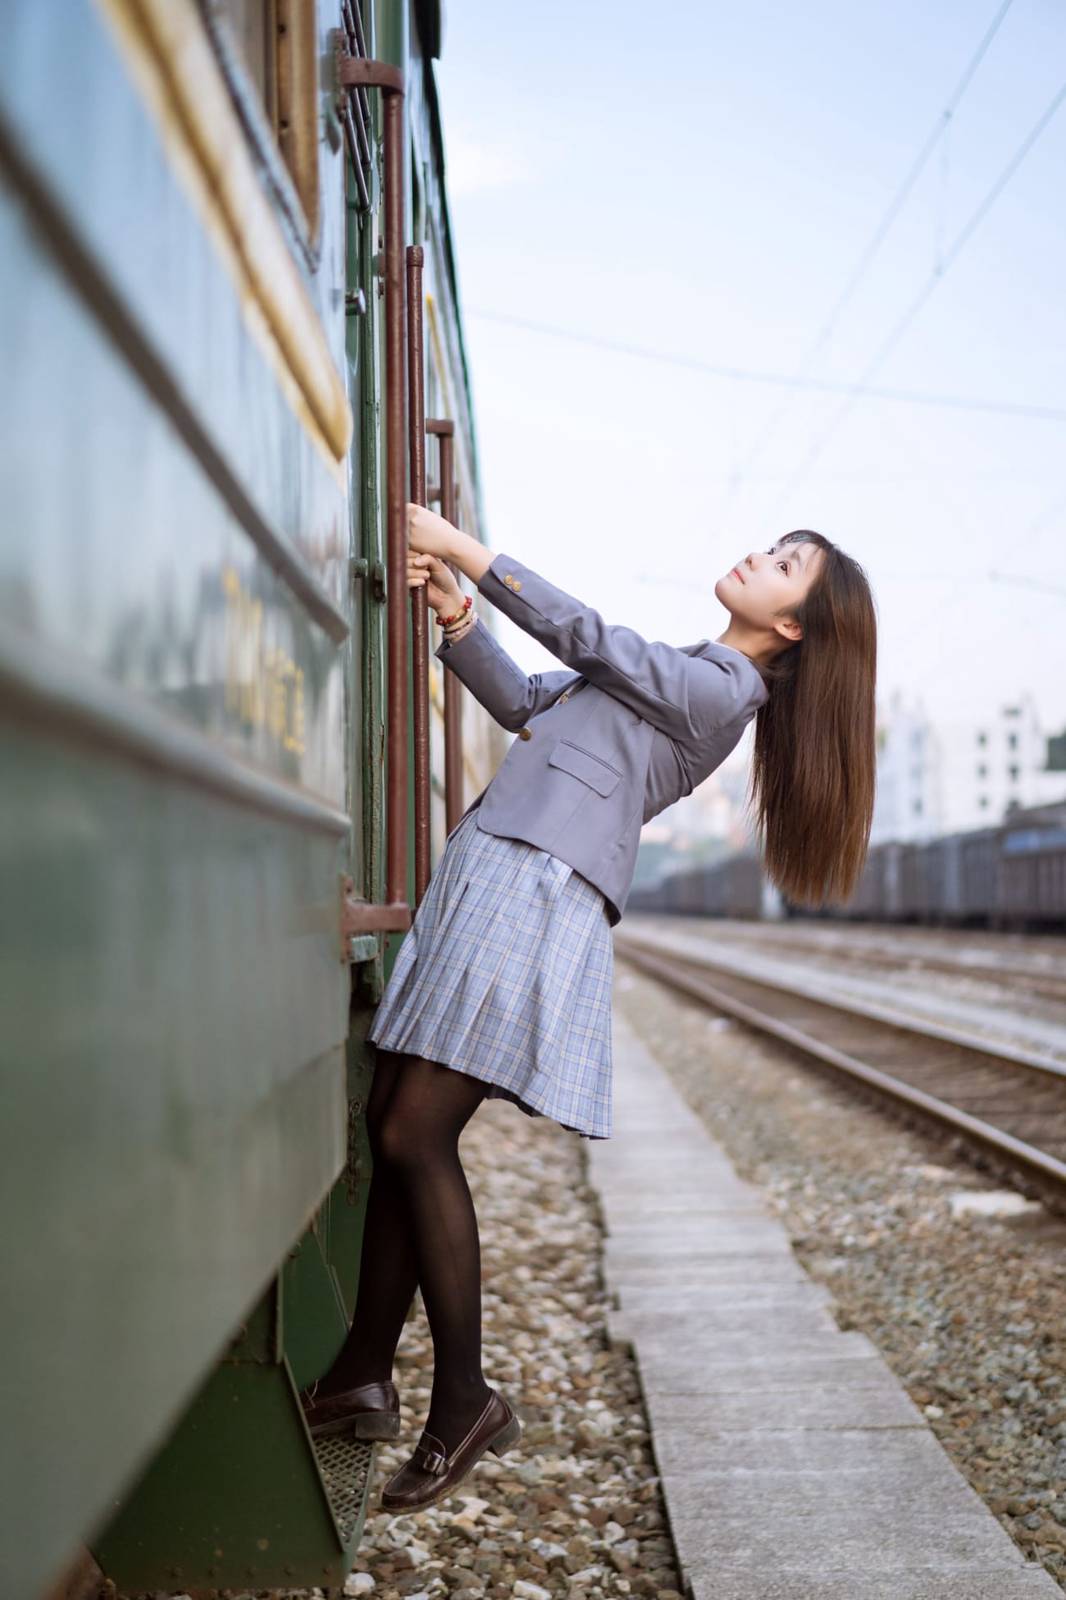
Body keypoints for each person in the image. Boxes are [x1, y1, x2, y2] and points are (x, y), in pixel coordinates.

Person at [301, 503, 877, 1513]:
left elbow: (585, 636)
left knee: (411, 1130)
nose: (756, 554)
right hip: (505, 869)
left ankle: (463, 1398)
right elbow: (531, 700)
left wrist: (468, 551)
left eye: (782, 563)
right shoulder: (688, 668)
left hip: (535, 884)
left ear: (793, 627)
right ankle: (362, 1371)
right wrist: (457, 622)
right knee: (400, 1119)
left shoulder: (718, 687)